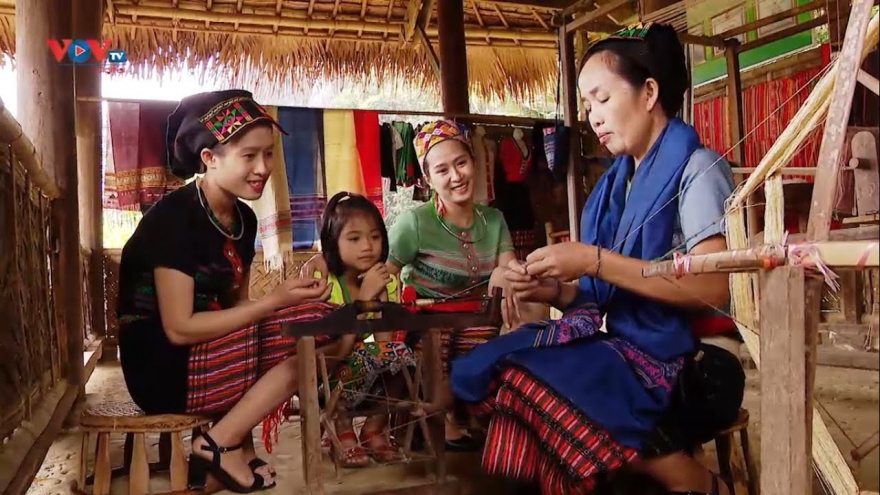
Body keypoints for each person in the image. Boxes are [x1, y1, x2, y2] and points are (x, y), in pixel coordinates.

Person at [448, 23, 739, 495]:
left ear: (648, 92)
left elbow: (713, 288)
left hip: (695, 360)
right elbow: (602, 297)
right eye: (587, 106)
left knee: (533, 383)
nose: (593, 117)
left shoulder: (697, 170)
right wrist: (547, 289)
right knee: (498, 365)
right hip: (625, 344)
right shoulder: (612, 186)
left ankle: (709, 487)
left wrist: (592, 259)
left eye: (602, 99)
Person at [116, 90, 339, 493]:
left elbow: (236, 306)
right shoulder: (173, 220)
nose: (262, 168)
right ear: (209, 158)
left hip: (210, 350)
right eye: (248, 156)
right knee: (301, 329)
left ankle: (229, 437)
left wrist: (293, 292)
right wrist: (274, 303)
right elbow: (179, 329)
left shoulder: (243, 220)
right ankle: (219, 443)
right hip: (162, 367)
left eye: (268, 154)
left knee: (322, 324)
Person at [303, 119, 524, 451]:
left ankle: (479, 415)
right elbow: (379, 268)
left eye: (461, 163)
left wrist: (506, 274)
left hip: (476, 319)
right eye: (443, 169)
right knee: (432, 343)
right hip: (426, 320)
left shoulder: (494, 220)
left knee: (495, 341)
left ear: (474, 163)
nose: (456, 176)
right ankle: (436, 420)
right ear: (428, 178)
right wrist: (328, 259)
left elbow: (510, 270)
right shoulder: (416, 222)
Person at [312, 191, 417, 467]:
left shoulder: (387, 280)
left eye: (375, 236)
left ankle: (374, 427)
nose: (368, 246)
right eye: (354, 238)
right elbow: (334, 351)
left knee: (401, 355)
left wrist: (379, 295)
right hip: (327, 373)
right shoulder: (327, 285)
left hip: (363, 371)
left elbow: (383, 344)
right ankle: (341, 426)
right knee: (363, 356)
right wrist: (361, 302)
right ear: (333, 244)